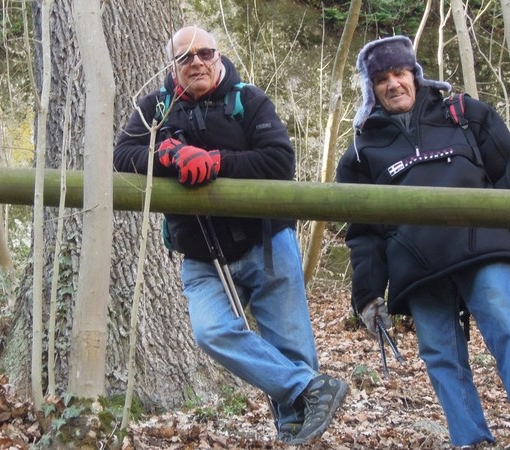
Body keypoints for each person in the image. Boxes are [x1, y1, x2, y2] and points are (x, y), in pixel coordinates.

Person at [113, 26, 348, 445]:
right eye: (185, 58)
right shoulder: (155, 108)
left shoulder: (249, 100)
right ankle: (311, 389)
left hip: (266, 243)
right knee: (212, 331)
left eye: (205, 53)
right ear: (172, 66)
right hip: (200, 254)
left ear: (218, 55)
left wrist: (215, 161)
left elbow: (278, 161)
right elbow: (123, 155)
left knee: (291, 347)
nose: (196, 62)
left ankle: (293, 435)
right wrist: (168, 154)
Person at [336, 35, 510, 447]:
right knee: (441, 356)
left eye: (400, 73)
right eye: (382, 78)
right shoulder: (362, 151)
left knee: (505, 325)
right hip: (416, 265)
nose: (393, 84)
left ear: (415, 75)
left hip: (483, 247)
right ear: (372, 88)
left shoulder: (463, 114)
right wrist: (367, 294)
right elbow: (362, 230)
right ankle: (471, 440)